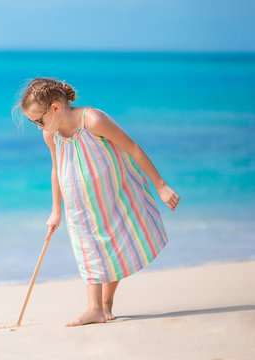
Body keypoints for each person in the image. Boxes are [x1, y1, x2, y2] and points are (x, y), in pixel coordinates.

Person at [12, 77, 181, 327]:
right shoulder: (51, 134)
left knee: (114, 246)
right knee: (88, 250)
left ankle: (105, 304)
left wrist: (161, 186)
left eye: (39, 120)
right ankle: (93, 307)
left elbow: (132, 148)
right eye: (33, 122)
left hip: (113, 194)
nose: (38, 127)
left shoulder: (92, 120)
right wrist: (55, 210)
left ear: (56, 108)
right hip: (78, 203)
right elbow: (56, 169)